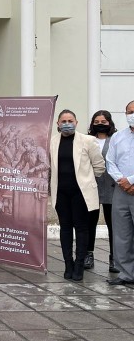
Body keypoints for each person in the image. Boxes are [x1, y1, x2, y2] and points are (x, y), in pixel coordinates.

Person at [49, 109, 105, 281]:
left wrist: (86, 181)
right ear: (58, 124)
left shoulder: (87, 141)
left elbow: (99, 166)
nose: (67, 123)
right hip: (61, 193)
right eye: (63, 121)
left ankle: (79, 265)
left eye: (70, 120)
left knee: (81, 228)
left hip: (81, 193)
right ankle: (68, 264)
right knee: (65, 228)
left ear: (76, 122)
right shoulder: (52, 141)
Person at [105, 100, 134, 286]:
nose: (132, 114)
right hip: (121, 191)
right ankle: (126, 274)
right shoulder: (118, 137)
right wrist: (123, 181)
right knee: (122, 233)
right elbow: (110, 161)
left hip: (130, 184)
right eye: (129, 111)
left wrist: (131, 180)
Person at [86, 111, 119, 272]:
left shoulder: (116, 139)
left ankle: (115, 257)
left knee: (114, 225)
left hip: (112, 187)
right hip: (90, 187)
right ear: (92, 123)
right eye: (97, 121)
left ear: (110, 123)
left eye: (104, 121)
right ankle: (87, 254)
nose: (100, 124)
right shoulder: (87, 140)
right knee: (89, 223)